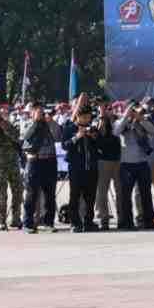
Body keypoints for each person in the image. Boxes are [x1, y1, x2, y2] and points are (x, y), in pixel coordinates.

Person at [113, 102, 154, 230]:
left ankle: (148, 221)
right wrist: (126, 116)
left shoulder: (143, 121)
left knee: (145, 193)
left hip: (142, 162)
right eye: (132, 109)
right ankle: (126, 222)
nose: (134, 112)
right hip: (127, 163)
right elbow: (116, 132)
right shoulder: (120, 122)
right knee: (125, 195)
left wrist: (140, 118)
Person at [19, 101, 59, 233]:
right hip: (35, 161)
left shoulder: (48, 123)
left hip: (50, 161)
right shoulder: (26, 123)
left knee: (50, 194)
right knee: (31, 193)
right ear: (31, 112)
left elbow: (58, 135)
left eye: (41, 111)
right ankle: (28, 223)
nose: (40, 113)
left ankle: (49, 223)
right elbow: (25, 135)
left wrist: (50, 122)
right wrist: (36, 122)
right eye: (36, 110)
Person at [61, 99, 100, 232]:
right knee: (75, 196)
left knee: (90, 196)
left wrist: (94, 138)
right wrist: (77, 136)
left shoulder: (92, 128)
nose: (87, 120)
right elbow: (64, 146)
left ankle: (88, 221)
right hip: (76, 169)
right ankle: (75, 223)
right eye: (84, 117)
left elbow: (100, 146)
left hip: (91, 168)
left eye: (89, 117)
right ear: (78, 116)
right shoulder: (69, 128)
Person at [92, 106, 122, 229]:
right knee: (102, 191)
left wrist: (110, 119)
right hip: (103, 160)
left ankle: (122, 217)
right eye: (104, 108)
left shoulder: (116, 121)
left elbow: (119, 130)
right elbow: (96, 135)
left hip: (118, 159)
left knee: (120, 190)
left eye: (109, 108)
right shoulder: (96, 121)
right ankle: (104, 218)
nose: (107, 111)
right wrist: (101, 118)